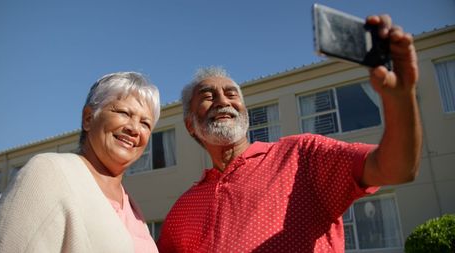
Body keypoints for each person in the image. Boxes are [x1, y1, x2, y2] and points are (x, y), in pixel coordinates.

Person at [157, 15, 422, 252]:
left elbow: (397, 168)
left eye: (231, 94)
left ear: (245, 112)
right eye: (207, 96)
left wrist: (400, 98)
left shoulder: (302, 156)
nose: (222, 101)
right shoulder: (182, 210)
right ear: (190, 124)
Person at [0, 72, 160, 253]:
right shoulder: (47, 173)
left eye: (145, 123)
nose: (134, 129)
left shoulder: (133, 208)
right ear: (88, 118)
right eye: (123, 112)